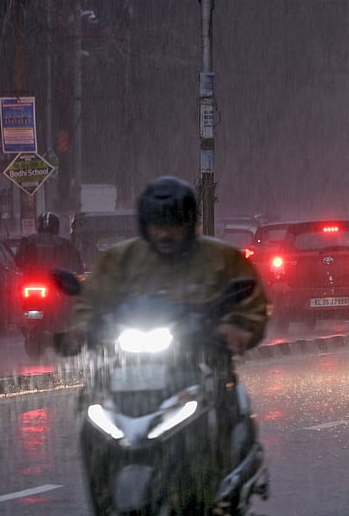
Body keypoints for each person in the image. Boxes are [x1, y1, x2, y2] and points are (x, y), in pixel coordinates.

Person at [62, 176, 270, 460]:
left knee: (224, 399)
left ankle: (223, 468)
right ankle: (103, 473)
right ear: (145, 226)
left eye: (173, 225)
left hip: (201, 359)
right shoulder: (120, 259)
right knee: (91, 402)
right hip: (127, 363)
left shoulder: (222, 257)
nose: (165, 234)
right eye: (158, 225)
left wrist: (239, 327)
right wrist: (81, 328)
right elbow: (92, 299)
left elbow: (252, 301)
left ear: (189, 224)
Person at [14, 212, 83, 276]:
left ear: (38, 225)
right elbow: (77, 265)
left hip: (31, 278)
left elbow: (17, 261)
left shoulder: (28, 240)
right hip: (57, 280)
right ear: (56, 227)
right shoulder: (66, 244)